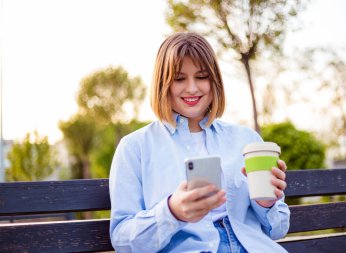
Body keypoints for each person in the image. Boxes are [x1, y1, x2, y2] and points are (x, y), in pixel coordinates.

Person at [109, 32, 290, 253]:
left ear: (214, 81)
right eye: (179, 78)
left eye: (202, 76)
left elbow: (279, 229)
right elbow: (121, 240)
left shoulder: (247, 140)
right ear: (162, 83)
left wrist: (266, 203)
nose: (192, 88)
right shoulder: (134, 147)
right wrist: (171, 212)